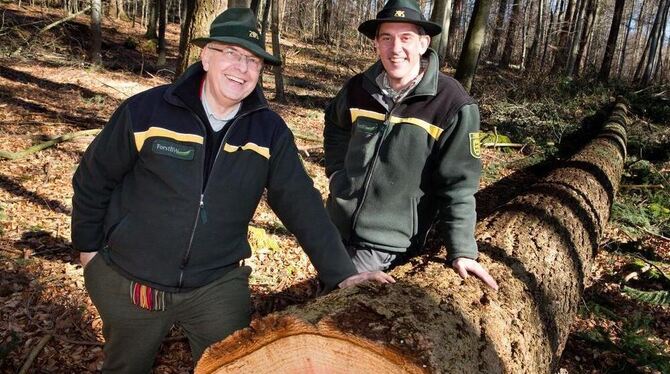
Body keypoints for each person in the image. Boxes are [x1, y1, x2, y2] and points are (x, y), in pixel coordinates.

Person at [72, 8, 393, 373]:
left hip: (216, 285)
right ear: (206, 56)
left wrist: (342, 272)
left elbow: (302, 204)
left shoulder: (268, 132)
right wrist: (89, 253)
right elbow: (93, 179)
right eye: (231, 53)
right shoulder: (147, 111)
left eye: (253, 60)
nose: (241, 68)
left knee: (234, 367)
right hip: (132, 280)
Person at [323, 0, 498, 291]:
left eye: (406, 38)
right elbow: (335, 125)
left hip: (388, 244)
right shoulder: (358, 88)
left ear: (423, 43)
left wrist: (462, 249)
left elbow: (459, 184)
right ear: (376, 44)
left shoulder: (451, 103)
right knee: (323, 296)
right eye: (386, 38)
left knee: (334, 312)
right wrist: (337, 173)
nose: (395, 49)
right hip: (335, 226)